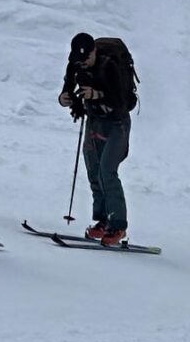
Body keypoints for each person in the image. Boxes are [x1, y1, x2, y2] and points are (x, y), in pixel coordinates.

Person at [58, 32, 137, 246]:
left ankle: (118, 225)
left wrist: (97, 95)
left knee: (107, 170)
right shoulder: (75, 64)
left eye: (86, 58)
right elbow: (68, 88)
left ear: (94, 51)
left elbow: (121, 101)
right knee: (93, 169)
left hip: (117, 123)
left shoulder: (108, 65)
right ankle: (103, 220)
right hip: (94, 119)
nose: (82, 64)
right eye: (78, 59)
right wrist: (64, 98)